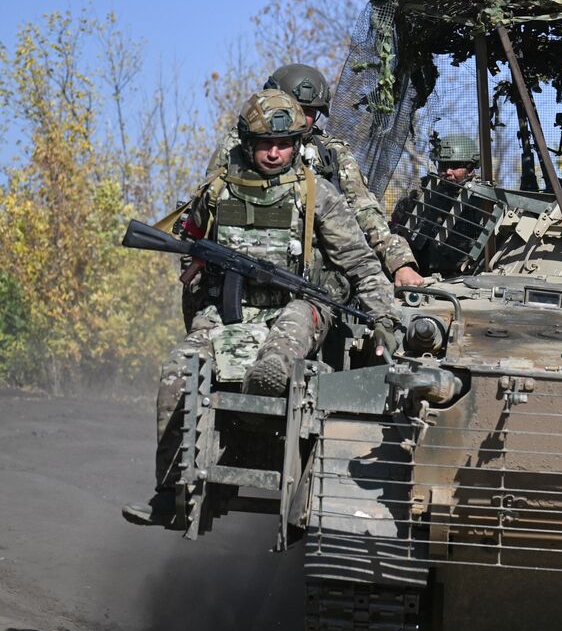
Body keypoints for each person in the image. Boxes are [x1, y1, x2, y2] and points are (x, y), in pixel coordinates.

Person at [125, 89, 400, 526]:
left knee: (277, 356)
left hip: (300, 303)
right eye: (265, 144)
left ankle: (257, 412)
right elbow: (190, 242)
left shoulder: (317, 194)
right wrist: (200, 269)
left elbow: (361, 264)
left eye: (284, 144)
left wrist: (385, 321)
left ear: (297, 143)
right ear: (246, 143)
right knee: (179, 369)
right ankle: (170, 492)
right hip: (231, 308)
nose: (274, 153)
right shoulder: (216, 191)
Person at [206, 63, 424, 288]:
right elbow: (207, 206)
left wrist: (400, 262)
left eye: (310, 111)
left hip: (311, 278)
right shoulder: (238, 147)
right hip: (243, 266)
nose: (301, 117)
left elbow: (364, 210)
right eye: (295, 106)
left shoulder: (331, 153)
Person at [391, 133, 482, 274]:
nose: (448, 172)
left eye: (455, 166)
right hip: (419, 273)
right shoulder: (421, 193)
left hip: (465, 277)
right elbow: (396, 230)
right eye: (443, 166)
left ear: (471, 168)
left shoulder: (482, 200)